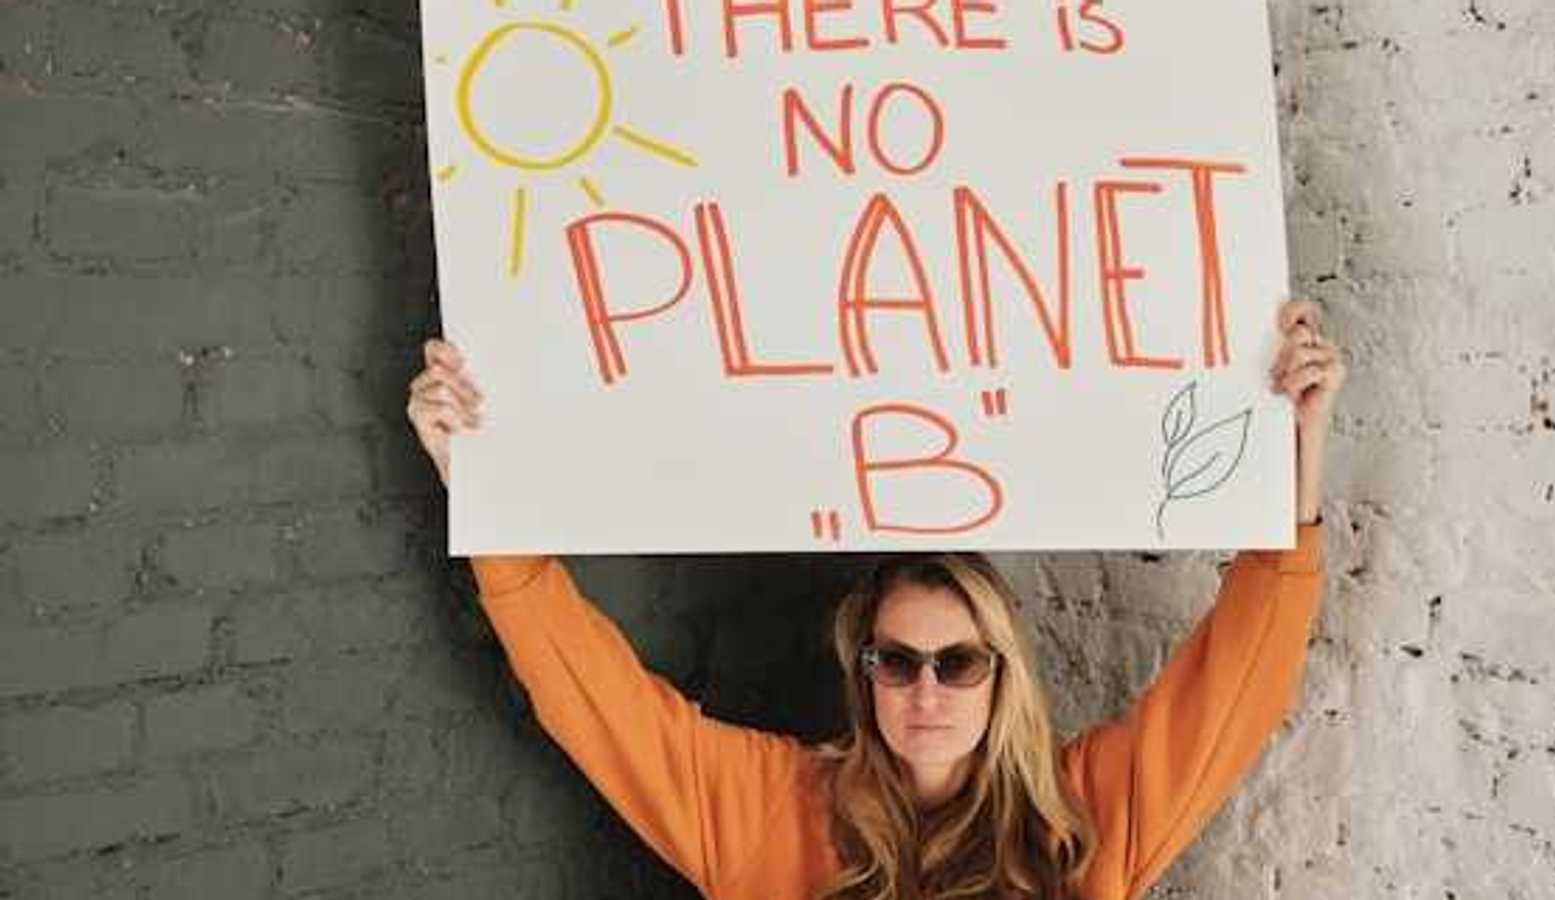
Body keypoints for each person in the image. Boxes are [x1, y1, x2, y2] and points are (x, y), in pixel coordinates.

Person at [405, 300, 1346, 900]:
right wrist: (479, 484)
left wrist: (1298, 450)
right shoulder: (769, 808)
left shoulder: (1081, 815)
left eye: (957, 662)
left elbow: (1238, 687)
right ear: (865, 674)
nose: (924, 691)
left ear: (999, 677)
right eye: (895, 661)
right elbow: (594, 701)